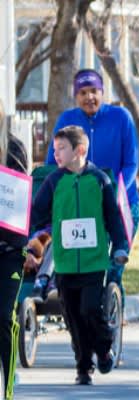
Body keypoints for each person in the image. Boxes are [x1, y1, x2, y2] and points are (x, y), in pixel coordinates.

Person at [29, 126, 130, 385]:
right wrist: (21, 234)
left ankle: (104, 348)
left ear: (80, 150)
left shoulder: (99, 180)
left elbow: (113, 218)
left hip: (93, 262)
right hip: (63, 263)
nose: (56, 154)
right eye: (54, 149)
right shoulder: (54, 181)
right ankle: (84, 368)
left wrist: (119, 247)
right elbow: (36, 214)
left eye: (61, 148)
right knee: (73, 317)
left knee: (89, 310)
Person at [49, 70, 139, 286]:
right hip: (83, 208)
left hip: (122, 205)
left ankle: (113, 315)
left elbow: (131, 164)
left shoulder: (121, 117)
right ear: (76, 96)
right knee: (88, 271)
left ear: (102, 91)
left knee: (114, 270)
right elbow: (54, 163)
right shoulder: (67, 120)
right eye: (83, 92)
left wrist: (111, 192)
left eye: (94, 91)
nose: (89, 97)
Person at [0, 103, 28, 399]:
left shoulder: (13, 148)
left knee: (2, 317)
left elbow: (19, 203)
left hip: (8, 249)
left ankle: (7, 390)